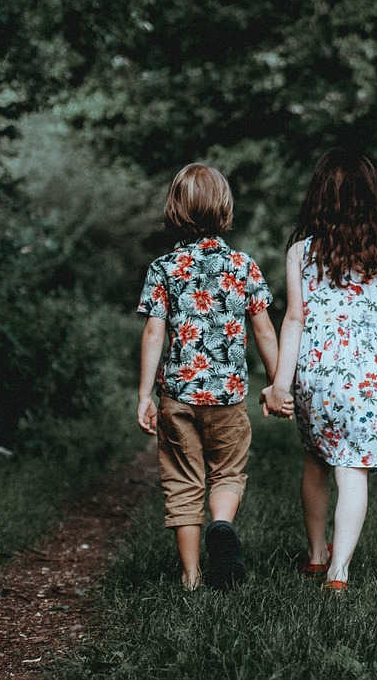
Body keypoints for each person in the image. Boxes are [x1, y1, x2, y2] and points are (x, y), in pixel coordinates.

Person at [262, 148, 377, 593]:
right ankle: (339, 571)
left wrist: (280, 384)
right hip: (365, 371)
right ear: (372, 197)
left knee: (315, 459)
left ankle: (314, 554)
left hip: (315, 370)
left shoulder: (301, 253)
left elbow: (293, 319)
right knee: (353, 469)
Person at [136, 163, 279, 591]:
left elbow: (153, 332)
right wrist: (276, 384)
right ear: (225, 208)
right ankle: (221, 524)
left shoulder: (163, 268)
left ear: (175, 209)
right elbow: (265, 329)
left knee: (182, 481)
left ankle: (192, 575)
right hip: (229, 396)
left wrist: (145, 394)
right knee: (227, 473)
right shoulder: (242, 265)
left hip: (178, 396)